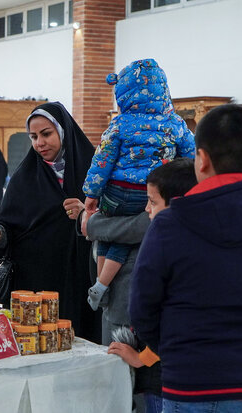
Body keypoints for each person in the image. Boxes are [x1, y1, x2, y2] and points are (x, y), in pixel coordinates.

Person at [130, 104, 242, 412]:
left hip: (192, 384)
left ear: (202, 159)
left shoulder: (170, 225)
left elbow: (143, 308)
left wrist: (176, 350)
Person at [0, 102, 100, 342]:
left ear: (63, 130)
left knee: (83, 342)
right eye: (33, 137)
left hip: (82, 276)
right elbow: (7, 222)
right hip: (36, 282)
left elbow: (112, 218)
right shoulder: (25, 177)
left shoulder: (94, 171)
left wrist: (87, 213)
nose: (39, 143)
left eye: (46, 134)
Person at [82, 58, 195, 311]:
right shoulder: (175, 124)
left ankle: (100, 285)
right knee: (127, 239)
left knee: (108, 235)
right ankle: (102, 285)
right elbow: (191, 156)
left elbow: (102, 160)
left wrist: (91, 193)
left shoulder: (119, 124)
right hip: (152, 193)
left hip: (117, 192)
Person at [107, 158, 197, 413]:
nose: (147, 208)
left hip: (164, 377)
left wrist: (141, 358)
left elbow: (170, 319)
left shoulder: (172, 247)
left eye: (153, 201)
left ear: (178, 204)